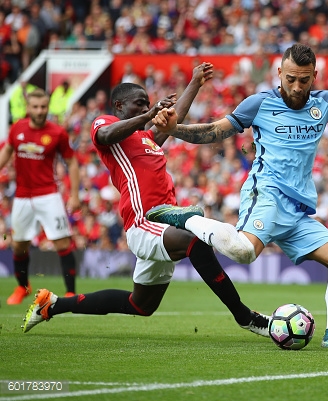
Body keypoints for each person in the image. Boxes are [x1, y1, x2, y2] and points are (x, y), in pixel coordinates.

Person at [145, 43, 328, 348]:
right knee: (244, 253)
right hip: (266, 193)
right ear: (279, 73)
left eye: (304, 80)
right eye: (290, 78)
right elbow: (214, 131)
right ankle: (191, 219)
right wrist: (176, 129)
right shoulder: (259, 104)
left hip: (297, 208)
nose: (296, 86)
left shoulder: (325, 103)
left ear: (314, 76)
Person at [22, 63, 269, 337]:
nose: (145, 109)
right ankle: (244, 316)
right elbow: (105, 135)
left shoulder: (148, 139)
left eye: (147, 105)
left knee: (140, 305)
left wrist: (195, 83)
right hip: (144, 222)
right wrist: (148, 115)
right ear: (118, 105)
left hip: (163, 223)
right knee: (193, 240)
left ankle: (52, 304)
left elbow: (174, 117)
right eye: (139, 104)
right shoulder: (105, 124)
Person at [1, 88, 80, 305]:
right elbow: (7, 150)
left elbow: (72, 163)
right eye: (35, 107)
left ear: (48, 107)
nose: (39, 110)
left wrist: (74, 194)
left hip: (48, 195)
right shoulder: (17, 128)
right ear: (28, 108)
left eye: (43, 106)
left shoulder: (57, 132)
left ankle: (71, 292)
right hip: (22, 197)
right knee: (19, 245)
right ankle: (23, 287)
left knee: (62, 243)